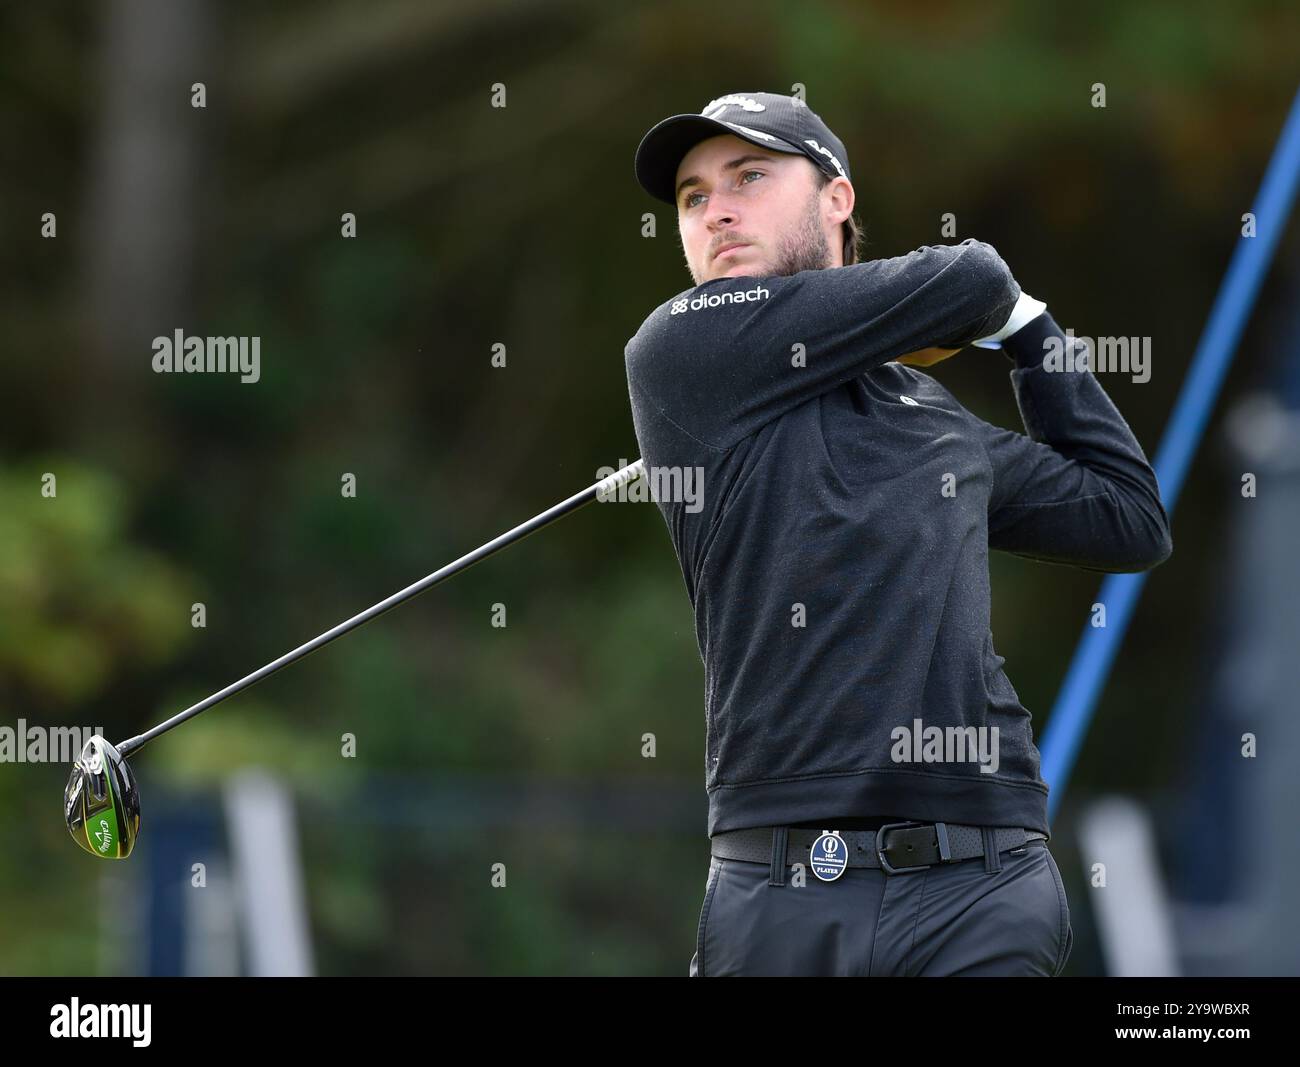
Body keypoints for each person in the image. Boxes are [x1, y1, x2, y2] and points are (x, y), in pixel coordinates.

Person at [623, 91, 1173, 976]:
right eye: (693, 196)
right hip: (780, 891)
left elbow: (1128, 516)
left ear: (836, 199)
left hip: (984, 880)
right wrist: (1000, 307)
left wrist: (1035, 337)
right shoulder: (678, 355)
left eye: (750, 176)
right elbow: (972, 279)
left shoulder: (932, 418)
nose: (715, 209)